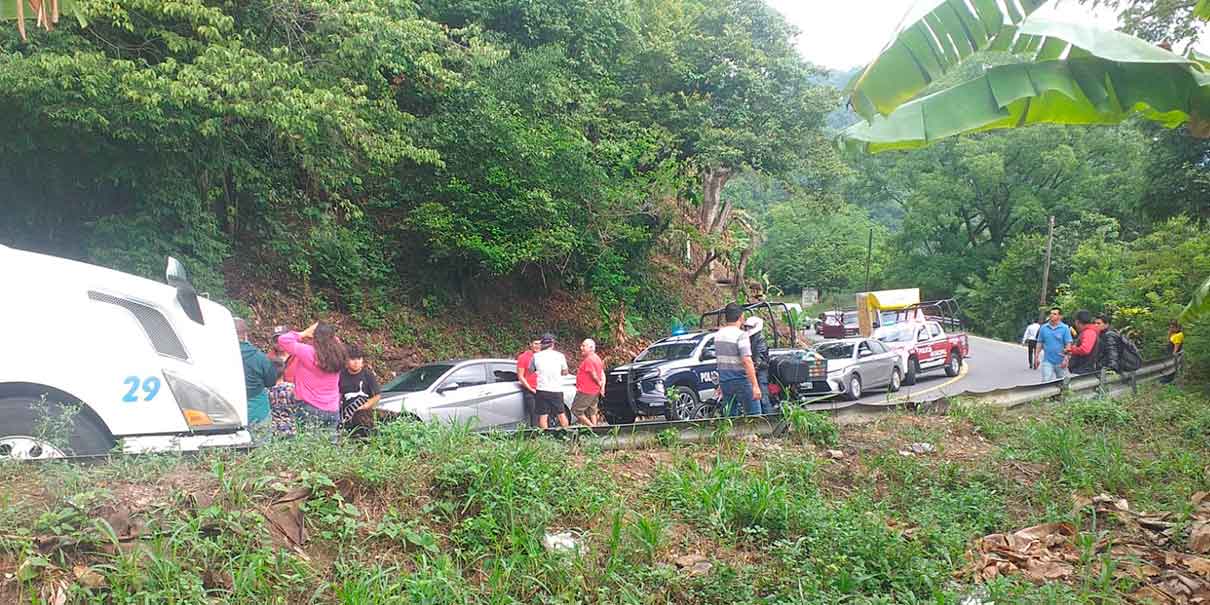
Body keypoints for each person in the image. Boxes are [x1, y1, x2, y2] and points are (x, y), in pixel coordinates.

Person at [276, 322, 346, 433]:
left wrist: (303, 333)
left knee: (309, 446)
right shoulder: (339, 354)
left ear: (314, 336)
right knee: (330, 447)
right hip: (332, 408)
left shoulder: (308, 352)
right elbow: (335, 341)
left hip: (309, 406)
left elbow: (283, 340)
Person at [715, 303, 763, 417]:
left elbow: (720, 361)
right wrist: (755, 386)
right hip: (741, 381)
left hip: (725, 382)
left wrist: (720, 384)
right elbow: (747, 361)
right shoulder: (741, 335)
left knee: (730, 417)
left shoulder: (718, 335)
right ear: (741, 317)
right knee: (755, 416)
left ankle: (732, 435)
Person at [235, 318, 276, 427]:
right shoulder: (260, 357)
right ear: (245, 334)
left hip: (228, 407)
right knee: (261, 441)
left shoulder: (216, 356)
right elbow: (271, 382)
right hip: (257, 408)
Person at [529, 333, 570, 429]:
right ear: (553, 344)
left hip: (542, 389)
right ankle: (567, 434)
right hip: (556, 390)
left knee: (543, 416)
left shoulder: (536, 356)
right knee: (561, 414)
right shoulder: (560, 356)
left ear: (542, 344)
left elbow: (531, 370)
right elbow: (565, 372)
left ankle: (545, 438)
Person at [339, 344, 381, 436]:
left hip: (365, 417)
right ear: (346, 360)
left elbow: (377, 396)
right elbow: (337, 395)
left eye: (359, 359)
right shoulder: (341, 375)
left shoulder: (368, 375)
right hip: (346, 418)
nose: (356, 362)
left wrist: (365, 406)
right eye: (353, 359)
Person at [572, 339, 605, 426]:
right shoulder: (597, 358)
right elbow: (602, 374)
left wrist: (599, 383)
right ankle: (595, 428)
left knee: (576, 410)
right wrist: (602, 387)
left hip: (586, 390)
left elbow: (593, 374)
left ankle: (592, 427)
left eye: (583, 346)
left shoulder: (589, 360)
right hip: (594, 390)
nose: (581, 348)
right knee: (592, 410)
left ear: (591, 348)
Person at [1035, 307, 1073, 383]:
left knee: (1063, 383)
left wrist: (1066, 359)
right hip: (1047, 361)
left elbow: (1068, 344)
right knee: (1046, 381)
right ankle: (1046, 395)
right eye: (1051, 313)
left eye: (1054, 314)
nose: (1051, 315)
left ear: (1060, 316)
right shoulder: (1044, 327)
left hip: (1061, 361)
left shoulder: (1065, 328)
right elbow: (1039, 343)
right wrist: (1036, 357)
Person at [744, 316, 772, 414]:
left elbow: (759, 357)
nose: (748, 329)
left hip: (761, 371)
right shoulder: (749, 338)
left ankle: (770, 420)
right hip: (753, 369)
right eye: (746, 327)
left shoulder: (760, 339)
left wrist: (754, 365)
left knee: (763, 398)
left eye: (750, 327)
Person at [1066, 310, 1101, 376]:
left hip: (1083, 370)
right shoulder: (1086, 332)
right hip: (1081, 369)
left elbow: (1085, 350)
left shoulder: (1089, 332)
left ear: (1077, 322)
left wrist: (1071, 349)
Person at [516, 337, 541, 427]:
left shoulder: (543, 357)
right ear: (530, 344)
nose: (538, 346)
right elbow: (521, 376)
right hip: (530, 390)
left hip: (543, 388)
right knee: (534, 415)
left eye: (539, 344)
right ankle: (535, 436)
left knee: (544, 415)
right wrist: (531, 389)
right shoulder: (523, 357)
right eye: (535, 343)